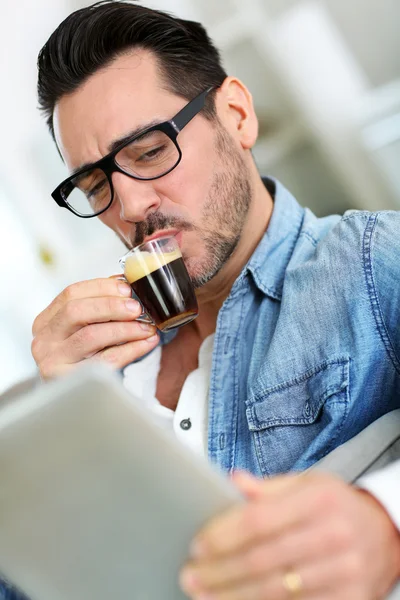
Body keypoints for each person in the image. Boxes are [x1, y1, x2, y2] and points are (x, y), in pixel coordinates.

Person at [5, 2, 398, 599]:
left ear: (237, 115)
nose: (130, 207)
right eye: (96, 186)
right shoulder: (97, 367)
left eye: (148, 151)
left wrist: (385, 522)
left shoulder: (373, 260)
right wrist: (54, 422)